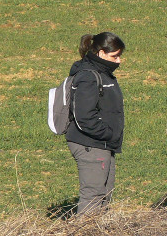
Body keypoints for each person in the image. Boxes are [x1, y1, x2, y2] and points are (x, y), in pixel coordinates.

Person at [65, 31, 126, 215]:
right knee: (93, 197)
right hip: (90, 144)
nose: (119, 61)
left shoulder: (102, 73)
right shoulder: (88, 76)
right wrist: (108, 133)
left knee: (104, 195)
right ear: (100, 53)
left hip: (103, 143)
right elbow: (84, 117)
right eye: (115, 56)